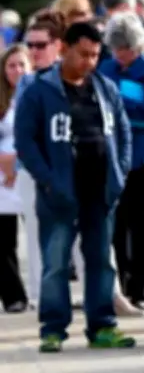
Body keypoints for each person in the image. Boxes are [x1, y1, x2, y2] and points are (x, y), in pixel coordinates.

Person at [14, 22, 134, 352]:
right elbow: (26, 142)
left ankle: (102, 326)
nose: (89, 62)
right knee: (55, 263)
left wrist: (120, 174)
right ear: (64, 48)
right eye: (83, 54)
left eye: (95, 55)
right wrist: (50, 182)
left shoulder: (106, 88)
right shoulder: (39, 90)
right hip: (59, 193)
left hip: (101, 191)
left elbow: (122, 134)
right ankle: (53, 328)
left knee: (100, 261)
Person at [98, 11, 144, 307]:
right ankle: (120, 284)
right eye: (115, 49)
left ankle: (141, 287)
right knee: (117, 222)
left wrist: (120, 99)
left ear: (137, 46)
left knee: (142, 224)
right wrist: (129, 99)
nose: (120, 55)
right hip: (112, 155)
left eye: (124, 49)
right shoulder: (105, 67)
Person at [0, 44, 31, 313]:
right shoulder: (3, 99)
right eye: (12, 65)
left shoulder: (35, 94)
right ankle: (13, 296)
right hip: (2, 178)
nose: (17, 70)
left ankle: (44, 295)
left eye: (22, 65)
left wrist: (17, 159)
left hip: (29, 169)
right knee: (4, 240)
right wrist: (4, 161)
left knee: (37, 237)